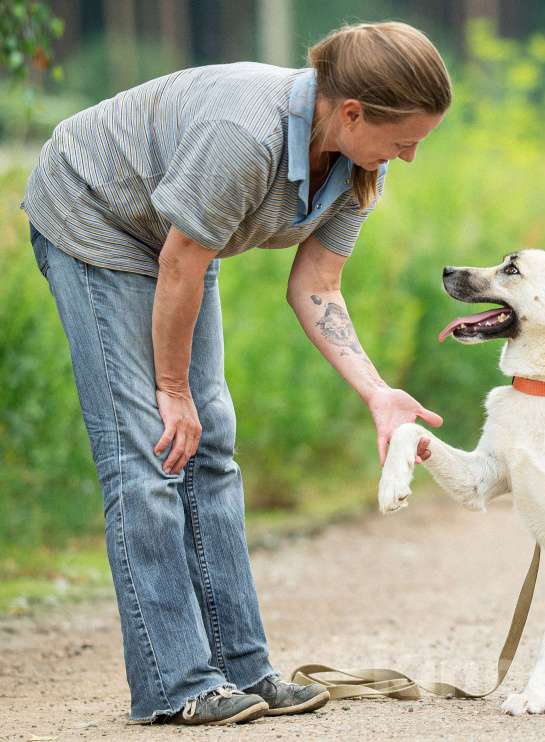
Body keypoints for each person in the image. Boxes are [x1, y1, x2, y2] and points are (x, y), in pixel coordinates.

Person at [21, 21, 449, 726]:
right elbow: (180, 262)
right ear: (351, 112)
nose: (410, 154)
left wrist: (377, 393)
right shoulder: (244, 135)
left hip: (180, 244)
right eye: (405, 139)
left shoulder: (358, 166)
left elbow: (317, 286)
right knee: (151, 449)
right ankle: (178, 685)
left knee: (212, 443)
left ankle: (243, 669)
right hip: (98, 216)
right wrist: (171, 390)